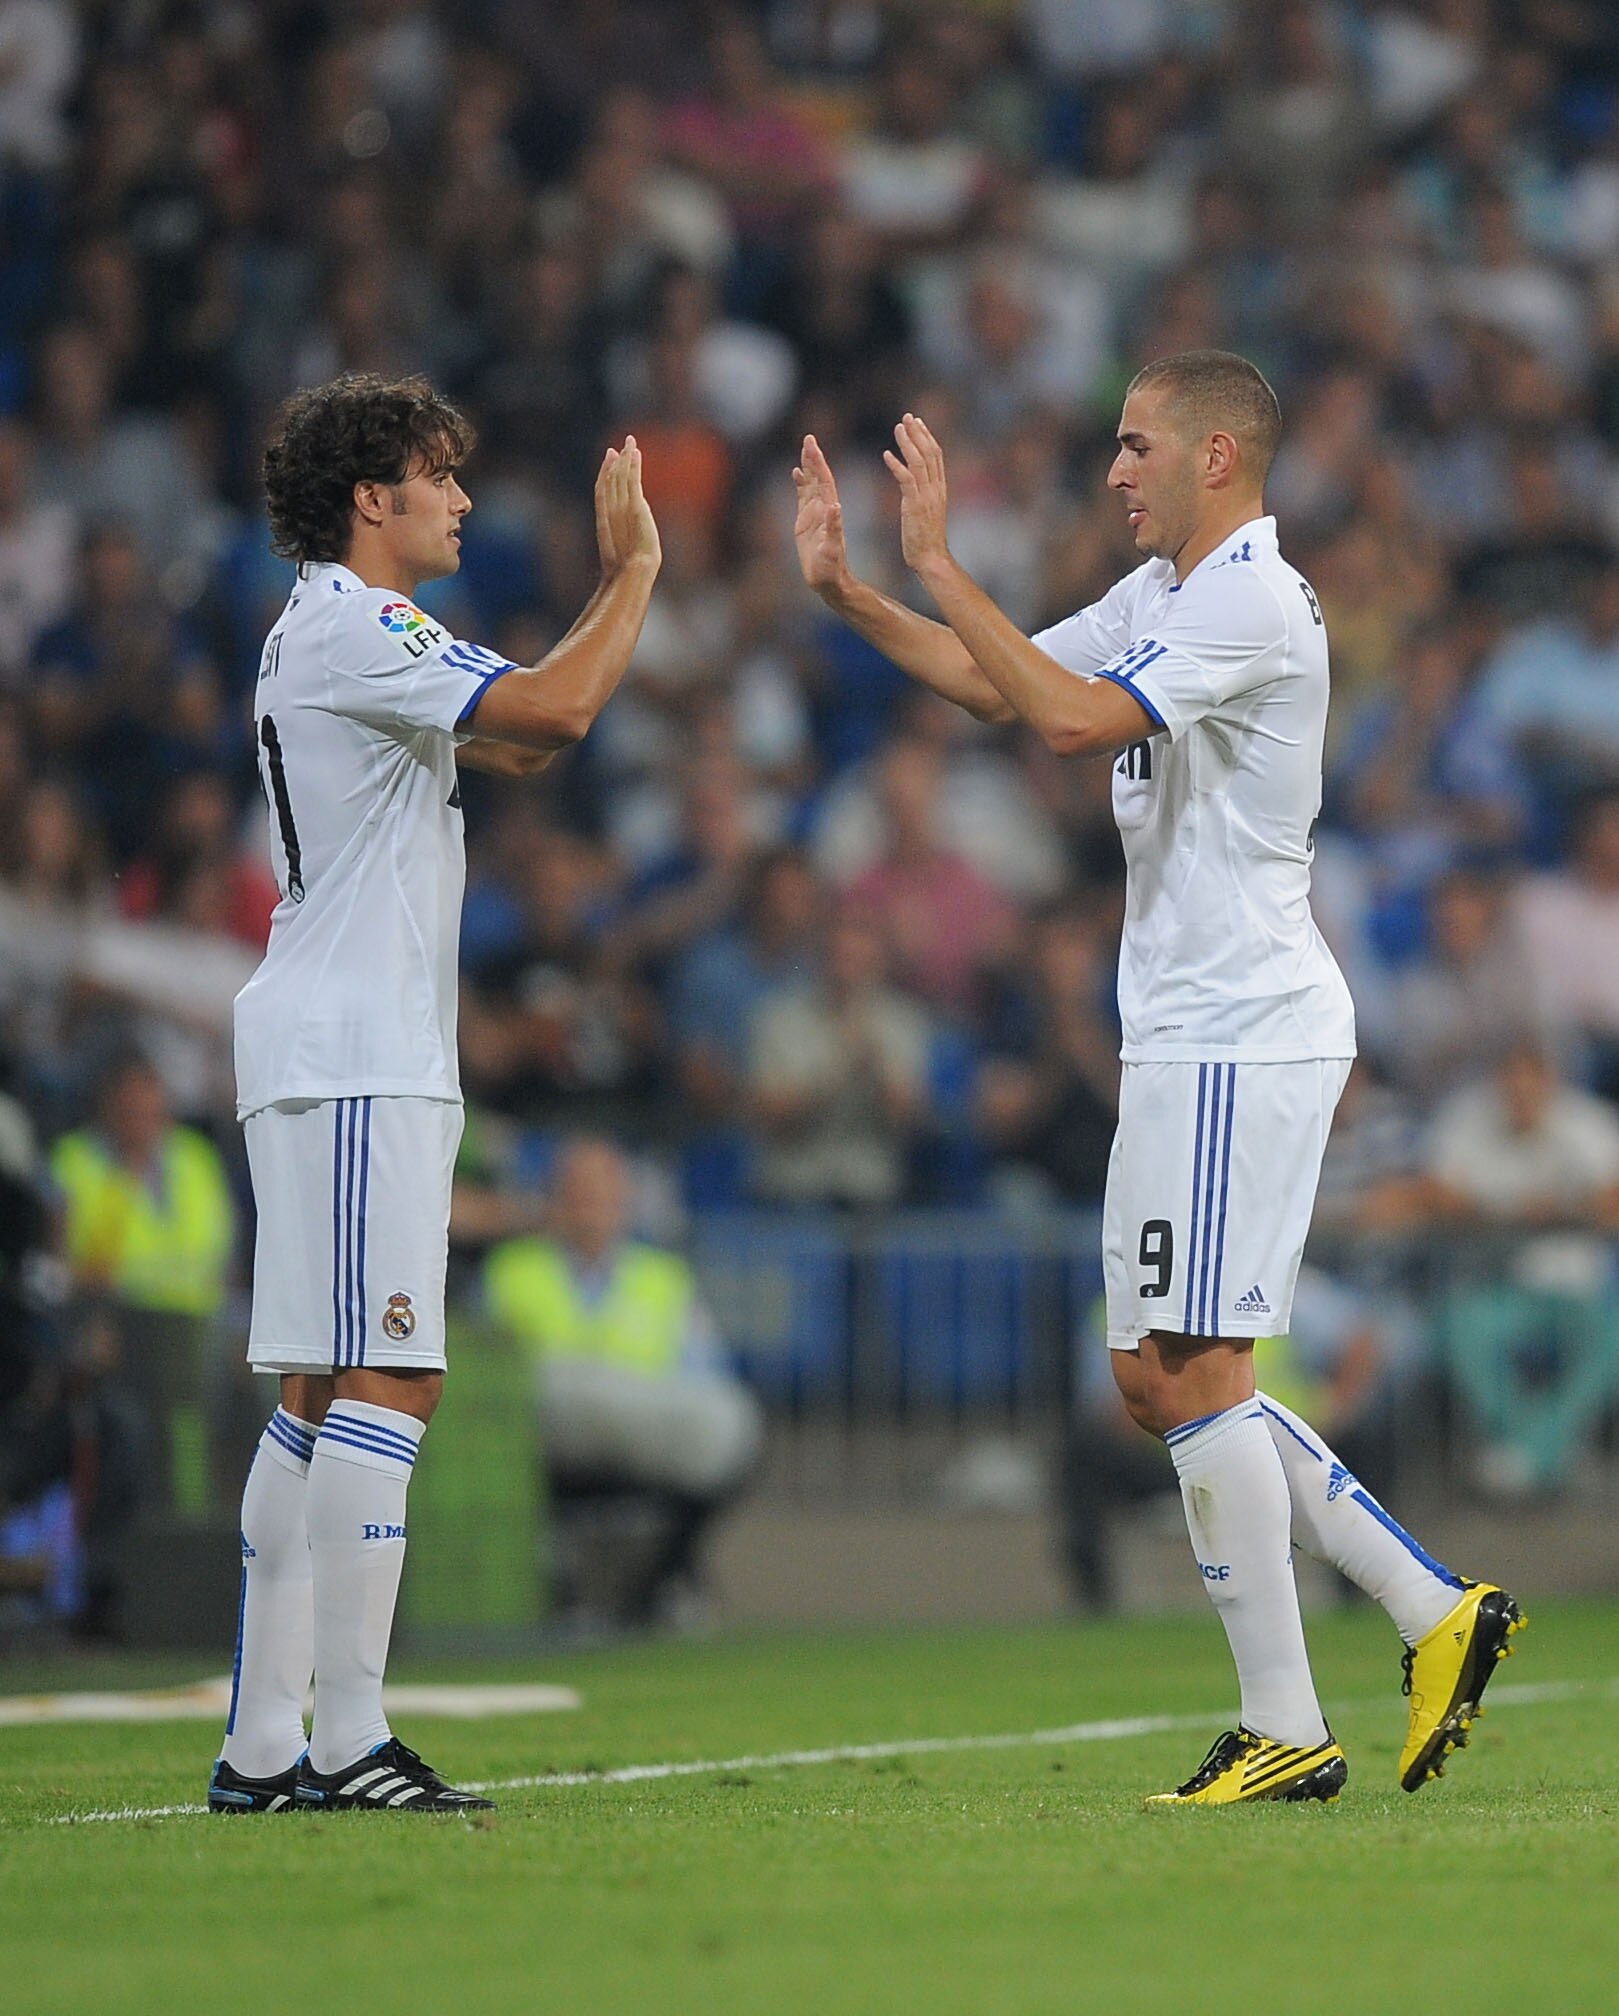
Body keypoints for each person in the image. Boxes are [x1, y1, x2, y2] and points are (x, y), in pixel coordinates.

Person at [793, 348, 1524, 1807]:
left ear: (1212, 458)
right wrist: (858, 594)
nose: (1111, 470)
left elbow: (1069, 725)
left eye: (1134, 447)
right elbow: (1006, 688)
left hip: (1235, 1028)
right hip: (1187, 1029)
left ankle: (1283, 1722)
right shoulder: (1165, 595)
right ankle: (1427, 1607)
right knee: (1150, 1375)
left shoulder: (1247, 597)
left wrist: (940, 557)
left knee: (1192, 1366)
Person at [210, 372, 661, 1815]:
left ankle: (262, 1747)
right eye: (437, 475)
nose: (460, 499)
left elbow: (519, 736)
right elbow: (570, 708)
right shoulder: (363, 619)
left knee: (316, 1390)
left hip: (320, 1041)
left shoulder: (326, 635)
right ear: (371, 499)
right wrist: (636, 570)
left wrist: (595, 612)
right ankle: (345, 1739)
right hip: (359, 1056)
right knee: (392, 1374)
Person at [483, 1135, 762, 1627]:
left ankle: (659, 1584)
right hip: (546, 1442)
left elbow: (707, 1375)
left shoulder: (665, 1279)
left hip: (644, 1438)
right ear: (554, 1199)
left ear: (626, 1202)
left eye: (603, 1191)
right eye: (578, 1191)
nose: (591, 1206)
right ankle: (558, 1584)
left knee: (731, 1429)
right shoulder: (510, 1271)